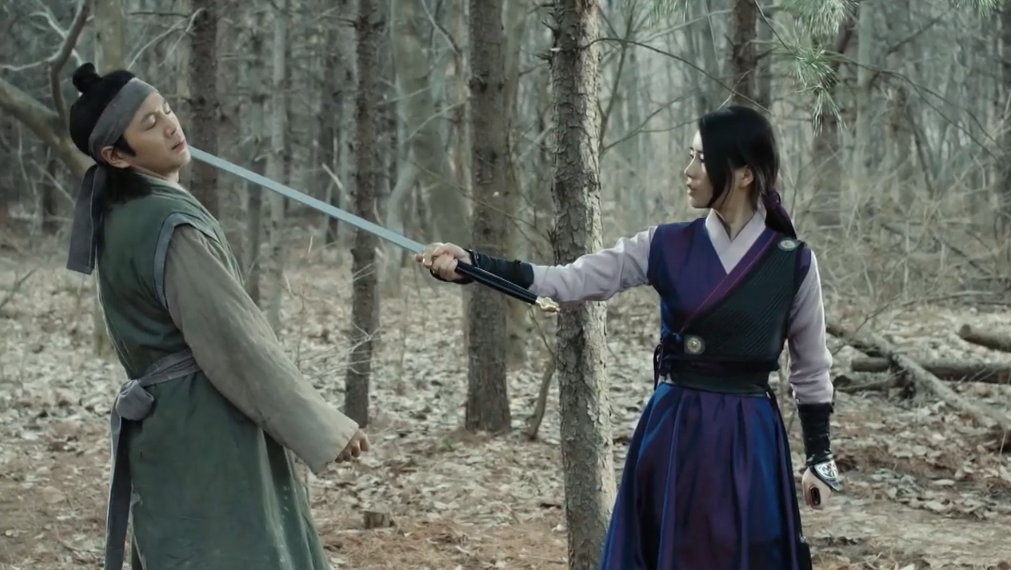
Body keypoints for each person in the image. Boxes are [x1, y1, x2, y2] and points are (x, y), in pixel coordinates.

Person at [417, 106, 840, 570]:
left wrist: (819, 456)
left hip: (749, 438)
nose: (689, 170)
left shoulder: (792, 261)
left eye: (702, 159)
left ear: (743, 174)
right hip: (676, 433)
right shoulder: (665, 245)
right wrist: (475, 266)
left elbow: (811, 368)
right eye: (690, 155)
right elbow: (568, 281)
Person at [65, 62, 369, 570]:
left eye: (166, 110)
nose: (170, 125)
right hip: (209, 429)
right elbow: (236, 342)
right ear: (116, 155)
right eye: (149, 124)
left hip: (168, 427)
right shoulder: (166, 223)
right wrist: (321, 426)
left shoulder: (122, 215)